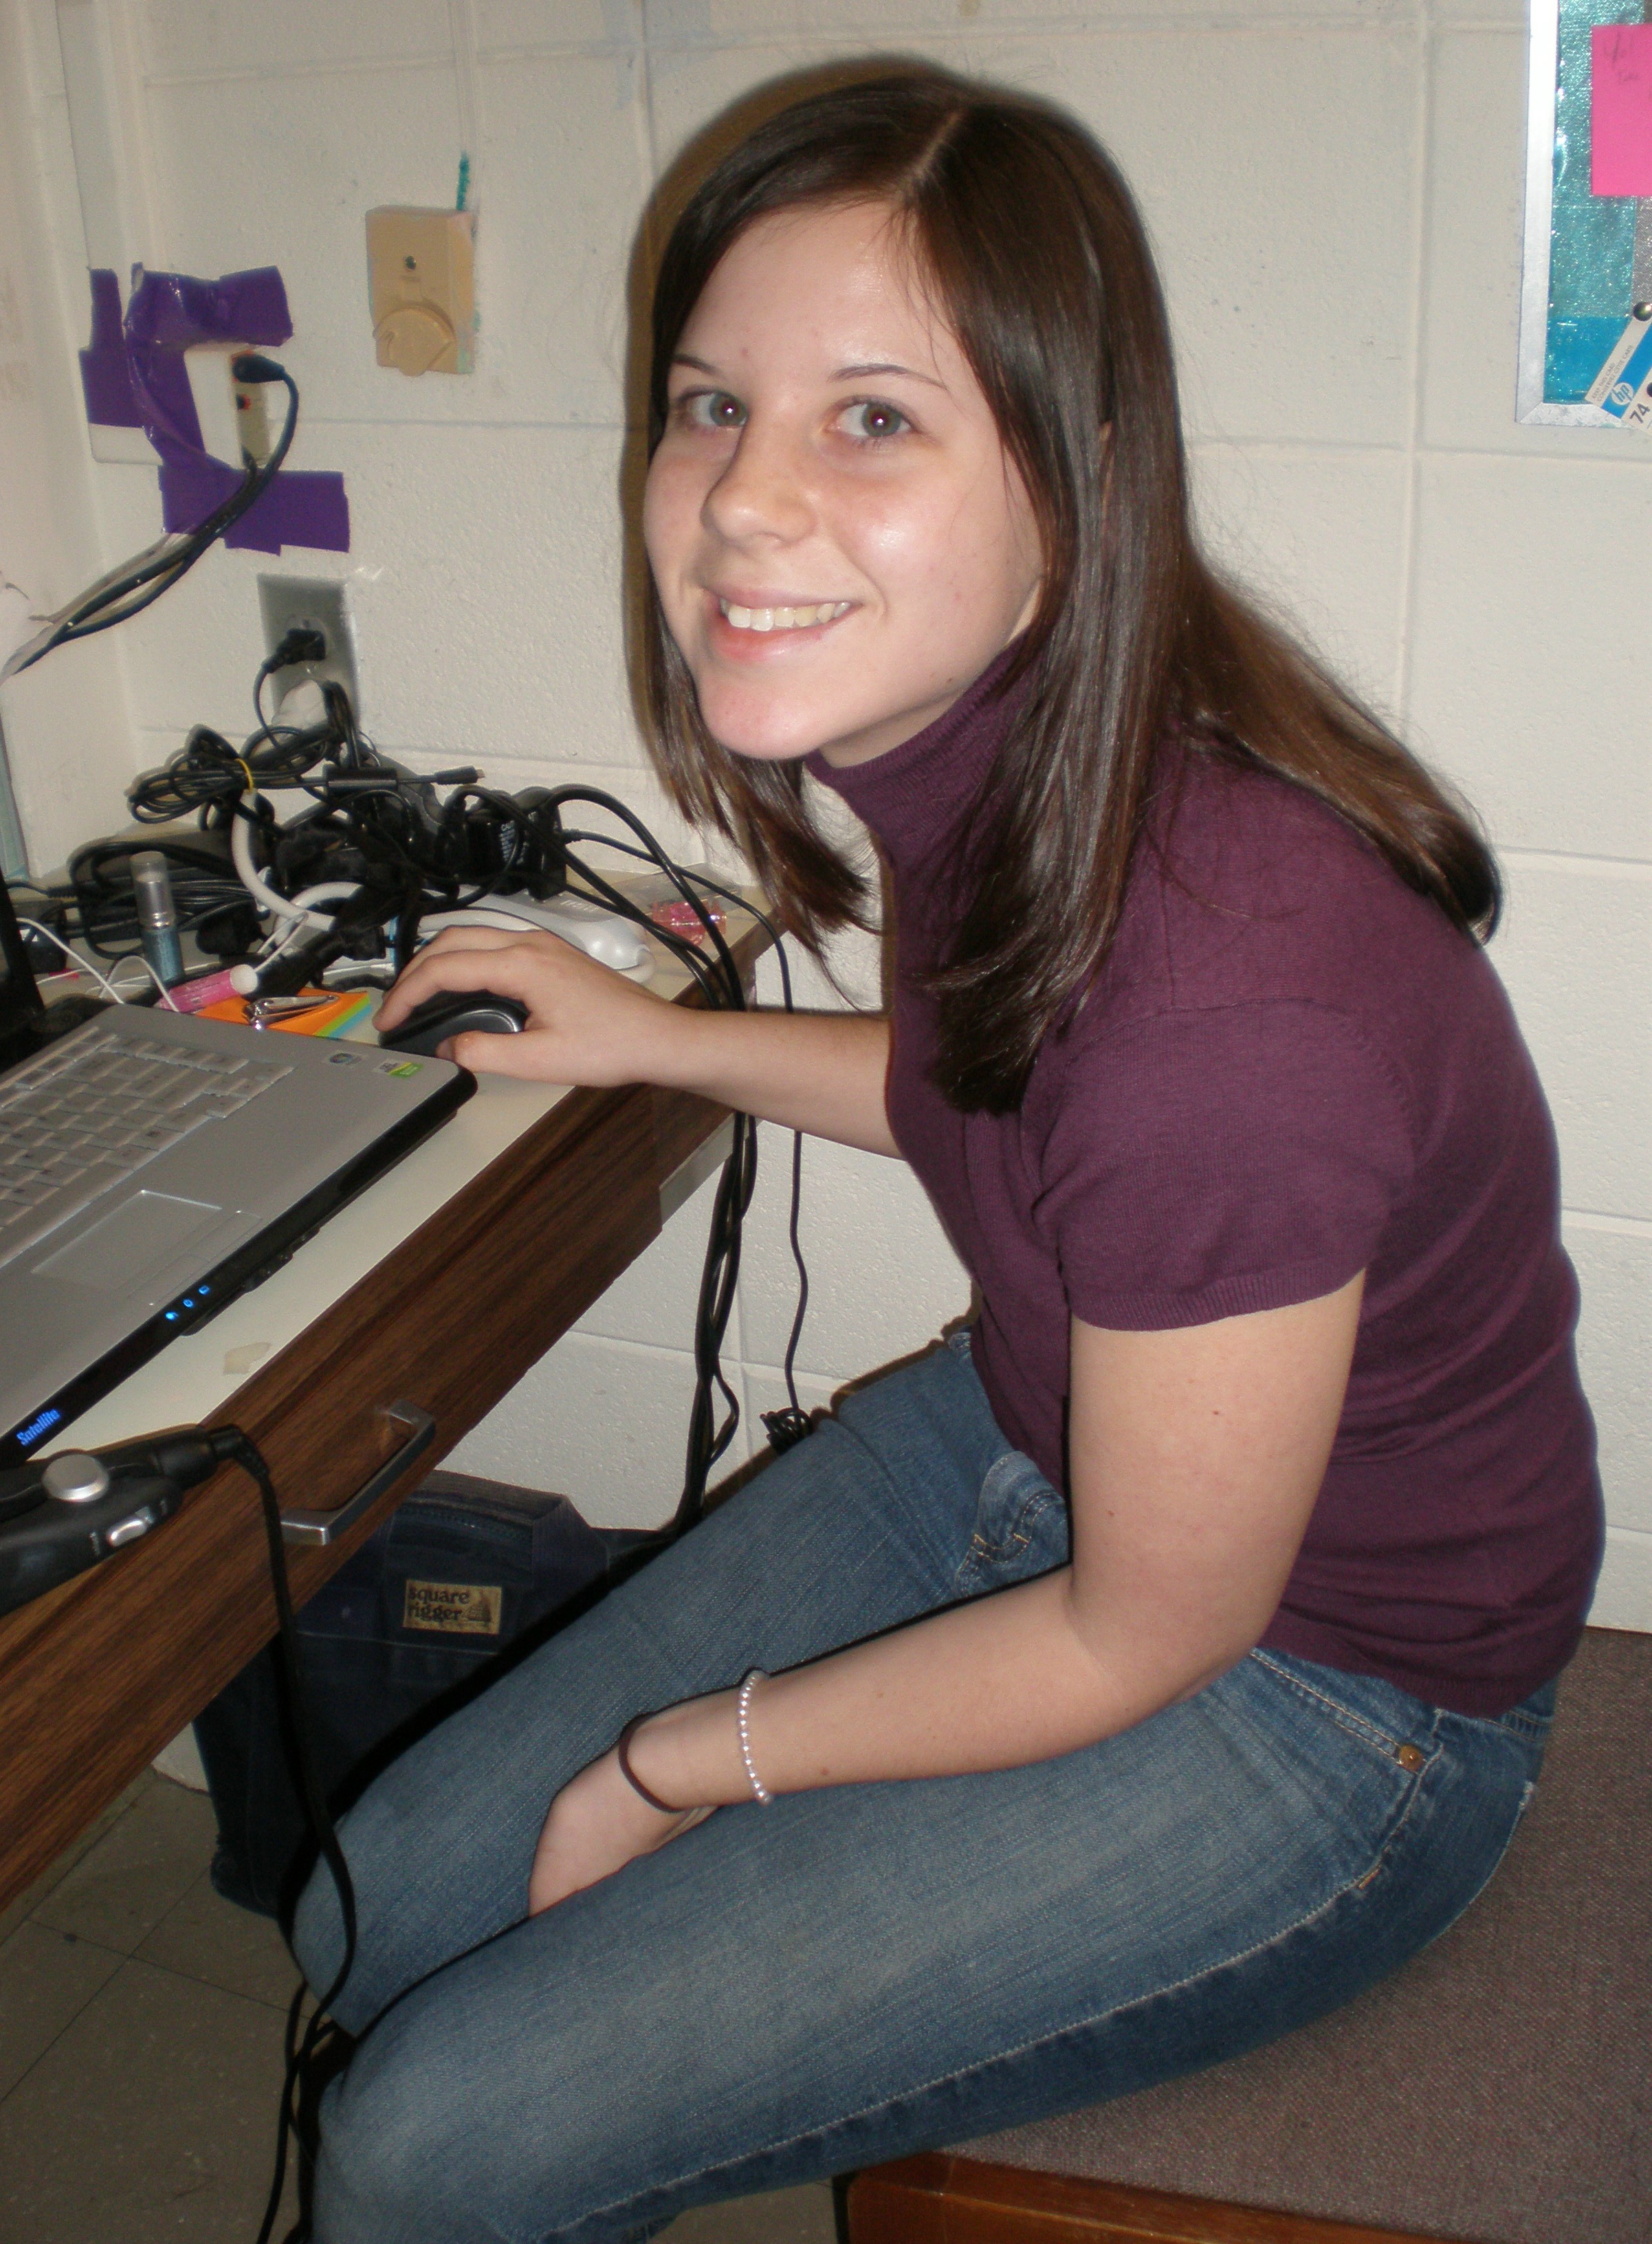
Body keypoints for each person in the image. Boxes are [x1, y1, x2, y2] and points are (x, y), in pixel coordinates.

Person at [292, 65, 1601, 2244]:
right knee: (370, 1912)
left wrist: (672, 1766)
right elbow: (990, 1090)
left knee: (433, 2143)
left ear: (1077, 484)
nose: (740, 502)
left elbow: (1138, 1632)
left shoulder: (1228, 1004)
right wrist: (663, 1042)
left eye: (871, 419)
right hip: (1030, 1445)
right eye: (709, 405)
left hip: (1332, 1697)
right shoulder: (1015, 770)